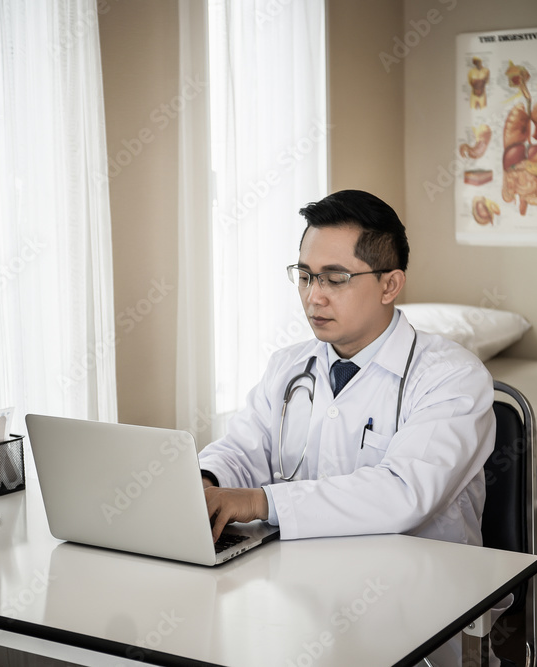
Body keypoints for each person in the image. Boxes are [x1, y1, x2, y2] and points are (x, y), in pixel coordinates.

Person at [198, 190, 500, 666]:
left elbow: (404, 493)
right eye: (304, 275)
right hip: (298, 603)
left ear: (389, 284)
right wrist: (207, 481)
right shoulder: (288, 366)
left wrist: (260, 501)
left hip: (417, 614)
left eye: (335, 278)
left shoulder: (452, 377)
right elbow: (242, 447)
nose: (313, 296)